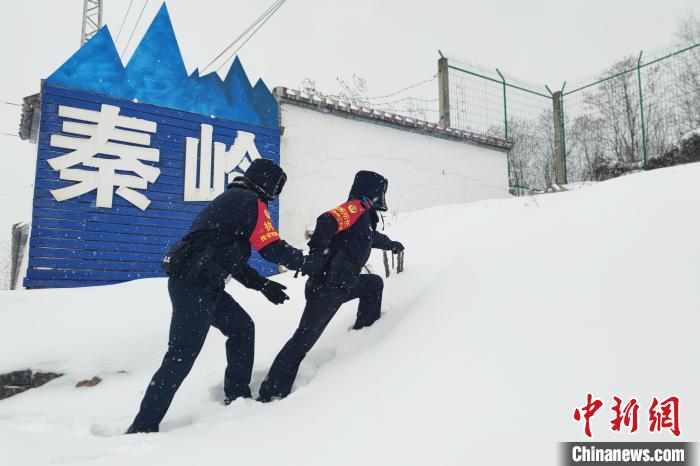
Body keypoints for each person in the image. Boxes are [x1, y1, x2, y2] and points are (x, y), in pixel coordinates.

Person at [126, 158, 316, 434]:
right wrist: (305, 263)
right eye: (276, 188)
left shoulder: (231, 200)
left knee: (241, 328)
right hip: (195, 285)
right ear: (266, 183)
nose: (274, 196)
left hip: (201, 283)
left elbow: (228, 258)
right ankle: (142, 427)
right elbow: (271, 247)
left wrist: (262, 285)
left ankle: (237, 396)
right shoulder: (250, 202)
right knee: (181, 354)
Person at [258, 170, 404, 402]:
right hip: (327, 288)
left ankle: (363, 333)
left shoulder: (364, 217)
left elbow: (370, 237)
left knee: (373, 284)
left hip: (343, 285)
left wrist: (391, 244)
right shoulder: (356, 207)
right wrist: (316, 257)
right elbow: (326, 221)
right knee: (302, 341)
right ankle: (271, 393)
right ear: (373, 190)